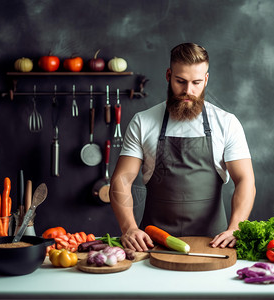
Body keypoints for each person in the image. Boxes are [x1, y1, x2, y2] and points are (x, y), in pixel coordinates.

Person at [109, 42, 256, 252]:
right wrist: (129, 227)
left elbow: (246, 180)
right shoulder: (143, 121)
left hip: (213, 243)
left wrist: (235, 228)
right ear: (168, 75)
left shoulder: (226, 123)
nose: (188, 91)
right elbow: (122, 179)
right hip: (151, 244)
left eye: (196, 82)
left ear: (206, 79)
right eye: (181, 81)